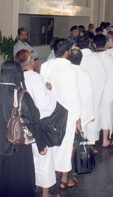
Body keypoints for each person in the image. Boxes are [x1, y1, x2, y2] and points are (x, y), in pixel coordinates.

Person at [0, 60, 47, 197]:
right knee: (21, 180)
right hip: (17, 147)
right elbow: (34, 120)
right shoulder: (21, 94)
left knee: (4, 180)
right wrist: (41, 144)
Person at [40, 39, 81, 190]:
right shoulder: (70, 69)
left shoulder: (45, 66)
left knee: (50, 146)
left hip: (48, 113)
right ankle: (64, 179)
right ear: (66, 53)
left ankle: (50, 177)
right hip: (66, 114)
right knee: (65, 147)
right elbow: (74, 96)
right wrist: (77, 117)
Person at [15, 49, 57, 197]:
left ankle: (34, 185)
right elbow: (44, 104)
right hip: (39, 123)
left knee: (31, 158)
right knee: (44, 157)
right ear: (32, 61)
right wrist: (49, 92)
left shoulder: (16, 77)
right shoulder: (36, 78)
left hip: (22, 123)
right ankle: (46, 194)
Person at [94, 35, 113, 147]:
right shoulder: (109, 58)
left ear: (94, 44)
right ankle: (105, 140)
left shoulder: (91, 58)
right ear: (106, 44)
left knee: (94, 115)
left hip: (94, 91)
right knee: (106, 114)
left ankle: (91, 142)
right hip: (107, 91)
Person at [77, 35, 107, 143]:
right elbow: (104, 77)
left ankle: (81, 144)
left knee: (82, 119)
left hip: (80, 95)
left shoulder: (75, 58)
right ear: (90, 44)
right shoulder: (96, 58)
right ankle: (92, 145)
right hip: (96, 93)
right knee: (93, 119)